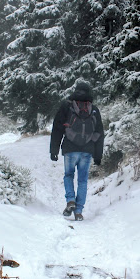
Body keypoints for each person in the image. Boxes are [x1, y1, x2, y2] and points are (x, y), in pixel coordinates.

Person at [50, 82, 104, 221]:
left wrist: (54, 150)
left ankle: (70, 200)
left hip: (70, 148)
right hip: (87, 150)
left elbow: (57, 128)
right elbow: (99, 132)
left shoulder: (67, 106)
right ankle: (79, 211)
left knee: (68, 175)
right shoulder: (94, 109)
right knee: (83, 180)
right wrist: (98, 155)